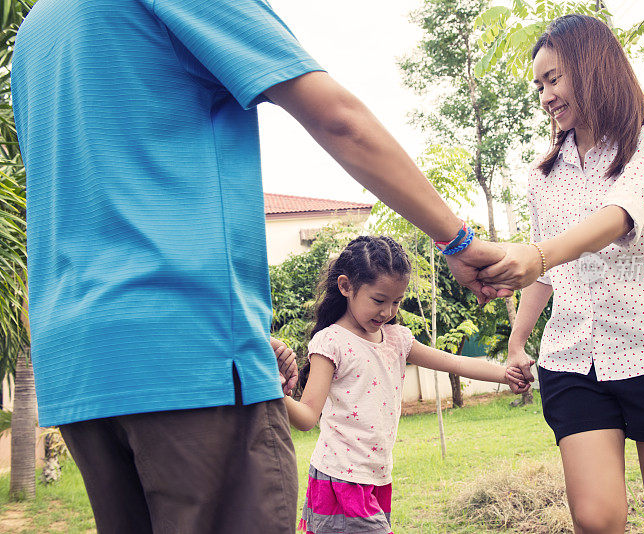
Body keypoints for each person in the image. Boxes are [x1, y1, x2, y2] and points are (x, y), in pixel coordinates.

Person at [11, 1, 521, 532]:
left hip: (81, 364)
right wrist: (458, 240)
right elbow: (337, 118)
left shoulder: (38, 29)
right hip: (189, 350)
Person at [479, 14, 644, 534]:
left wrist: (538, 255)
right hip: (573, 359)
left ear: (593, 68)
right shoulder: (543, 176)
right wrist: (518, 340)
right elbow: (547, 272)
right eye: (539, 86)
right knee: (596, 519)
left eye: (555, 78)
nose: (546, 96)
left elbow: (618, 217)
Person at [282, 235, 529, 534]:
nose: (387, 312)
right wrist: (273, 390)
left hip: (377, 478)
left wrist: (505, 374)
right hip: (340, 480)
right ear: (346, 287)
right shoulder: (331, 342)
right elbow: (307, 417)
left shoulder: (396, 339)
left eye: (396, 301)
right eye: (378, 300)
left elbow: (456, 363)